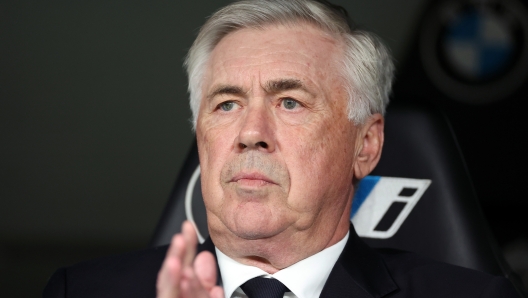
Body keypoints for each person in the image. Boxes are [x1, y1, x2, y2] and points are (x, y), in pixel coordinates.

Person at [43, 0, 520, 297]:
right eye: (227, 104)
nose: (252, 131)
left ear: (366, 145)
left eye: (289, 101)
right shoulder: (81, 291)